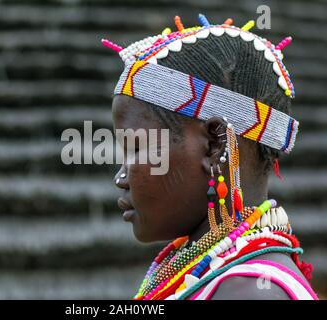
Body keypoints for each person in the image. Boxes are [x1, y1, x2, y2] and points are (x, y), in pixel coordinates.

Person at [102, 14, 318, 300]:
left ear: (214, 145)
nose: (121, 177)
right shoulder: (216, 276)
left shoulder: (248, 292)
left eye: (137, 148)